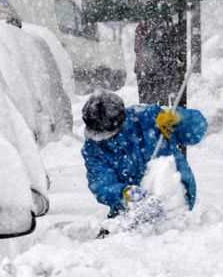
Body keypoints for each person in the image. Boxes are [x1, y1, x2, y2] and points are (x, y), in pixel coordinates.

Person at [81, 90, 207, 218]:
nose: (102, 139)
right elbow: (102, 185)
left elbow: (198, 128)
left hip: (174, 197)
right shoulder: (93, 148)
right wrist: (124, 193)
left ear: (121, 121)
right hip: (128, 210)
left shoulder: (149, 118)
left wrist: (179, 119)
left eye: (107, 133)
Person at [134, 16, 179, 105]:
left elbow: (137, 48)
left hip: (149, 69)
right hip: (155, 69)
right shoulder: (166, 27)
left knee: (148, 102)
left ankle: (153, 114)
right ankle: (159, 114)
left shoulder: (143, 27)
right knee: (160, 100)